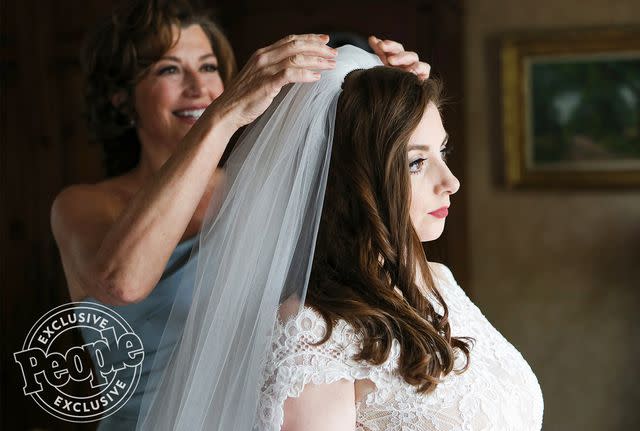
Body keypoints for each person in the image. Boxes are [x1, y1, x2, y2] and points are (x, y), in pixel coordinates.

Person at [49, 1, 431, 429]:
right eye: (168, 70)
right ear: (120, 95)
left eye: (208, 67)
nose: (197, 86)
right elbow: (122, 284)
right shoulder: (83, 206)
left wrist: (404, 109)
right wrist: (224, 115)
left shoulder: (263, 187)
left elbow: (384, 245)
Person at [135, 46, 544, 430]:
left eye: (443, 152)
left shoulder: (436, 281)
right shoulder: (314, 336)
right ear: (351, 181)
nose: (451, 182)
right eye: (416, 162)